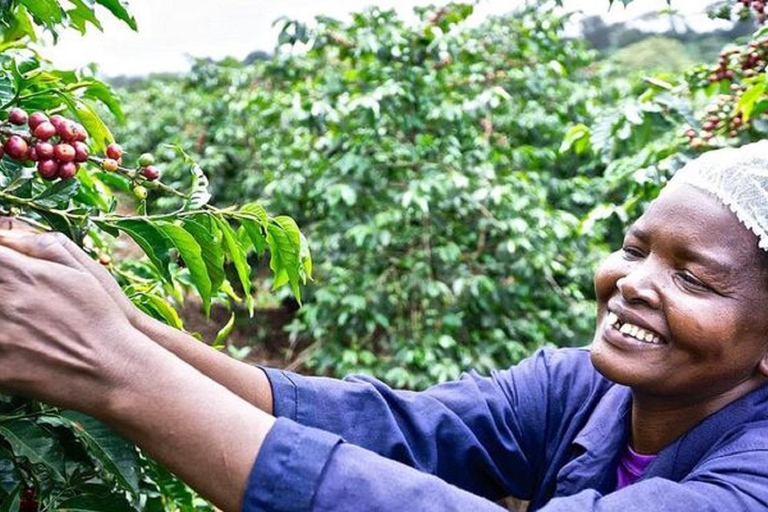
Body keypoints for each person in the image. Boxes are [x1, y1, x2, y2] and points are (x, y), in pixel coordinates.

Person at [0, 140, 768, 512]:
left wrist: (117, 373)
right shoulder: (582, 386)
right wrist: (129, 325)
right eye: (633, 249)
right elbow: (396, 429)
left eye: (692, 277)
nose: (631, 284)